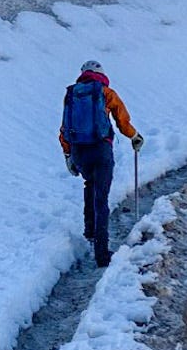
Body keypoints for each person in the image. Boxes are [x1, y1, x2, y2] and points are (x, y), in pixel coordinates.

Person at [58, 59, 143, 267]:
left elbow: (64, 127)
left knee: (90, 185)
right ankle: (102, 255)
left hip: (79, 151)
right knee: (101, 198)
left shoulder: (71, 94)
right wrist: (134, 136)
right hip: (100, 149)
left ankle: (90, 233)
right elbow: (122, 121)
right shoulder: (106, 92)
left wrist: (68, 155)